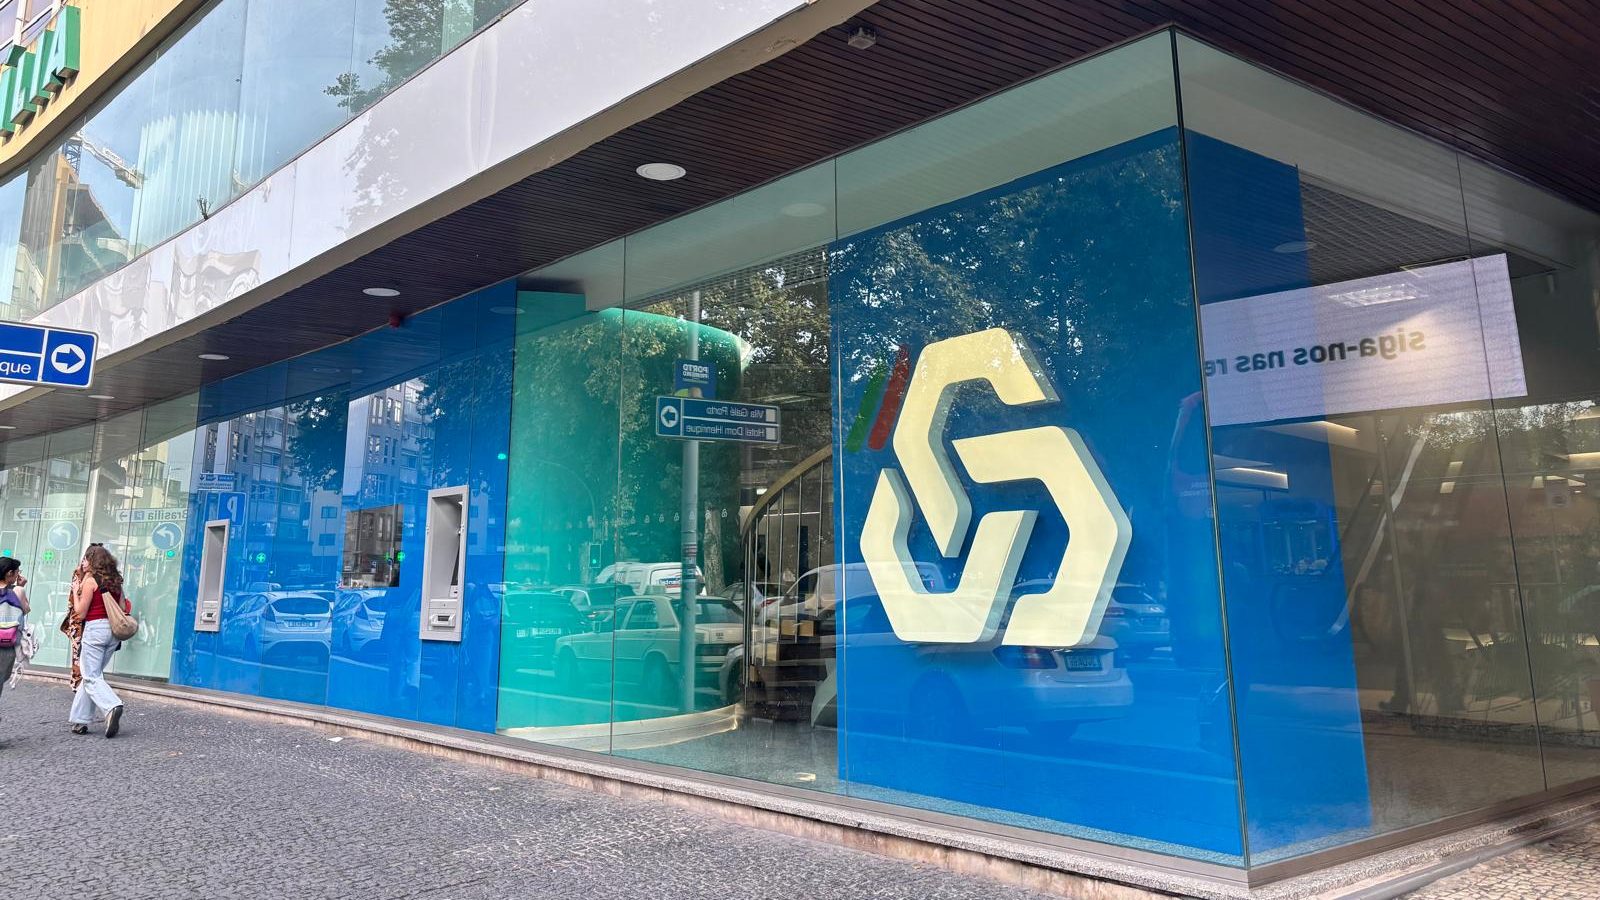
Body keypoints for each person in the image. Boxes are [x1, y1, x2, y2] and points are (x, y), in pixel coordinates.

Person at [69, 544, 129, 738]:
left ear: (92, 560)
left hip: (95, 629)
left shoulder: (90, 581)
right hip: (113, 631)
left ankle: (112, 705)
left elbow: (80, 613)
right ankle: (80, 721)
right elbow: (122, 607)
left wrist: (76, 591)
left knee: (91, 677)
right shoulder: (115, 581)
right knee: (93, 675)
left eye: (86, 559)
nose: (83, 562)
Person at [0, 556, 30, 718]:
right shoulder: (17, 591)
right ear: (9, 573)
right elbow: (25, 611)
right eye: (17, 572)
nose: (19, 575)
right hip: (6, 645)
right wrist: (20, 587)